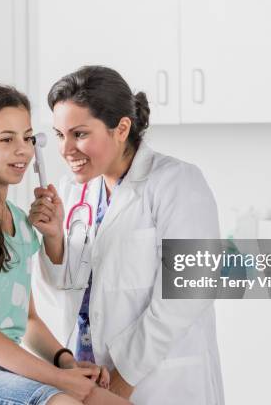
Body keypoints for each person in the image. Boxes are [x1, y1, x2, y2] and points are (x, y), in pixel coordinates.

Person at [0, 83, 131, 405]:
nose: (24, 150)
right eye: (6, 139)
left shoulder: (20, 224)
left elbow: (27, 320)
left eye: (28, 138)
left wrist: (67, 363)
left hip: (3, 367)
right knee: (67, 402)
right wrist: (60, 381)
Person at [30, 66, 225, 404]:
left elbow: (189, 293)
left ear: (121, 128)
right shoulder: (72, 191)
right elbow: (63, 290)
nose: (65, 149)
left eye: (79, 134)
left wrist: (124, 378)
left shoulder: (178, 182)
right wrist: (52, 238)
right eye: (60, 135)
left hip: (158, 381)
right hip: (87, 374)